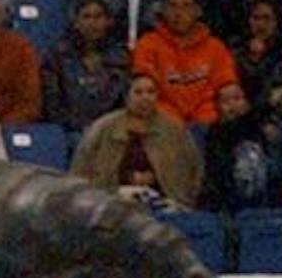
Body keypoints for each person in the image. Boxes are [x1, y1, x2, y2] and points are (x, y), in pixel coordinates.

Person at [72, 69, 203, 205]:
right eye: (138, 92)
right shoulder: (104, 127)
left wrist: (157, 178)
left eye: (151, 92)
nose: (145, 97)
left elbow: (193, 170)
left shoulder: (174, 129)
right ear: (127, 96)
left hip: (164, 202)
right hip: (111, 201)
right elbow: (82, 167)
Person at [132, 0, 237, 125]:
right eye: (172, 6)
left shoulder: (215, 47)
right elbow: (144, 84)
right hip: (163, 125)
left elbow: (227, 84)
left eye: (186, 6)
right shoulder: (148, 44)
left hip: (209, 125)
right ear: (163, 10)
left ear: (198, 11)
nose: (178, 13)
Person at [199, 76, 282, 210]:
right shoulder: (216, 131)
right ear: (217, 106)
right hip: (230, 199)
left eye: (237, 99)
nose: (232, 105)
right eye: (225, 101)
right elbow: (241, 124)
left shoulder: (261, 126)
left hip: (267, 197)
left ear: (247, 103)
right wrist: (277, 95)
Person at [41, 0, 131, 134]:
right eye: (86, 17)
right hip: (70, 131)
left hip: (111, 132)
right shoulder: (57, 57)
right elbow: (52, 103)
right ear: (76, 22)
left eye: (98, 17)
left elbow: (125, 102)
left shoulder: (121, 58)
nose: (92, 23)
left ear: (108, 21)